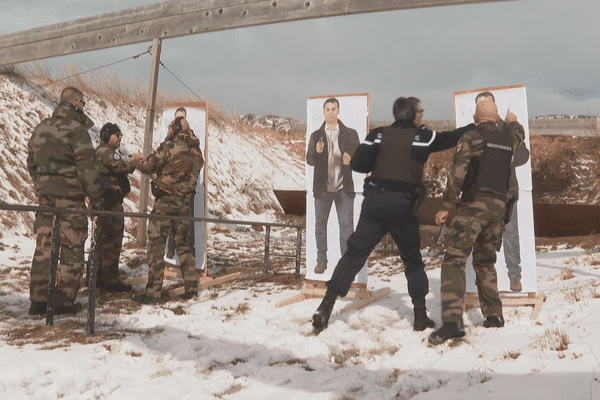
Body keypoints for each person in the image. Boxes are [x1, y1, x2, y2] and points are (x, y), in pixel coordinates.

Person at [311, 96, 477, 334]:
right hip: (403, 207)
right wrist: (474, 127)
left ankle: (325, 307)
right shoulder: (423, 137)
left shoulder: (378, 135)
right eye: (420, 111)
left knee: (354, 254)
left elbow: (357, 163)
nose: (422, 115)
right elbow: (449, 138)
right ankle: (420, 316)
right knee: (412, 261)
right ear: (412, 115)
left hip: (374, 204)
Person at [428, 99, 525, 346]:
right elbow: (518, 133)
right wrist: (513, 121)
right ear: (496, 119)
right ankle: (494, 316)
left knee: (454, 259)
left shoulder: (471, 138)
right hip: (498, 209)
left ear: (475, 117)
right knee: (485, 261)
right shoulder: (507, 139)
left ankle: (452, 323)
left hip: (474, 207)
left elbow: (457, 174)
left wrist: (447, 207)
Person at [27, 86, 103, 315]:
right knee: (72, 249)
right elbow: (88, 170)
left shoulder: (41, 128)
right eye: (83, 103)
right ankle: (62, 302)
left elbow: (32, 164)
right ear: (77, 102)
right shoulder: (76, 130)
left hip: (46, 200)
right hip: (71, 202)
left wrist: (43, 186)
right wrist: (96, 200)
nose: (84, 107)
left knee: (44, 248)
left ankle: (38, 301)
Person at [132, 117, 204, 304]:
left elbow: (148, 166)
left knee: (156, 246)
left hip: (165, 204)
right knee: (183, 245)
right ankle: (191, 289)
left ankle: (153, 293)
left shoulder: (170, 145)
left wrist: (138, 160)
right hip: (185, 205)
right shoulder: (196, 150)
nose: (169, 129)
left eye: (171, 126)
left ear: (177, 128)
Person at [474, 92, 530, 292]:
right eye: (481, 104)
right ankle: (483, 280)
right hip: (484, 193)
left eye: (487, 103)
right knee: (484, 236)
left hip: (507, 191)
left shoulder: (508, 128)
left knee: (511, 235)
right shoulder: (475, 133)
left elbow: (524, 155)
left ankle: (514, 277)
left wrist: (509, 157)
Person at [306, 98, 360, 275]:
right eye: (327, 109)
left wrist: (352, 159)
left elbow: (361, 158)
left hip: (344, 188)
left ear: (338, 111)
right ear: (323, 112)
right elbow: (309, 159)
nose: (330, 112)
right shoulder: (316, 135)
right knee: (320, 227)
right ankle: (321, 260)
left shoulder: (350, 134)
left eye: (333, 109)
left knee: (347, 229)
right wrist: (318, 152)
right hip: (322, 189)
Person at [95, 122, 136, 292]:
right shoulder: (106, 153)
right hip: (111, 204)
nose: (120, 138)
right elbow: (122, 167)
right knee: (113, 240)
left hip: (105, 203)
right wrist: (135, 162)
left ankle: (97, 276)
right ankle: (110, 279)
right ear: (106, 135)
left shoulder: (101, 152)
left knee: (101, 241)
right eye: (116, 135)